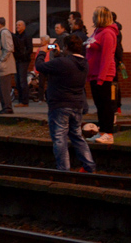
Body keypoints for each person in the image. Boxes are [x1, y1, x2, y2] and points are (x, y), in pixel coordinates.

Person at [35, 34, 96, 172]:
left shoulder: (62, 63)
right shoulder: (84, 63)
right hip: (77, 105)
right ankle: (89, 166)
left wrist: (43, 51)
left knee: (59, 138)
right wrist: (59, 54)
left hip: (60, 105)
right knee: (77, 136)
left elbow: (40, 66)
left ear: (67, 47)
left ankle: (64, 169)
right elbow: (65, 66)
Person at [84, 6, 119, 144]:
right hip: (94, 74)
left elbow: (106, 57)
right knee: (99, 105)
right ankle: (102, 131)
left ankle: (109, 133)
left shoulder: (108, 34)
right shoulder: (97, 32)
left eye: (94, 15)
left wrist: (102, 77)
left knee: (106, 105)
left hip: (103, 75)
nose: (92, 18)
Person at [0, 17, 15, 114]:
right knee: (2, 88)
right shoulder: (0, 34)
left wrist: (2, 59)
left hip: (4, 66)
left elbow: (8, 48)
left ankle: (7, 107)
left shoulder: (4, 33)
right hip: (1, 65)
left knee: (4, 87)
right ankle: (5, 107)